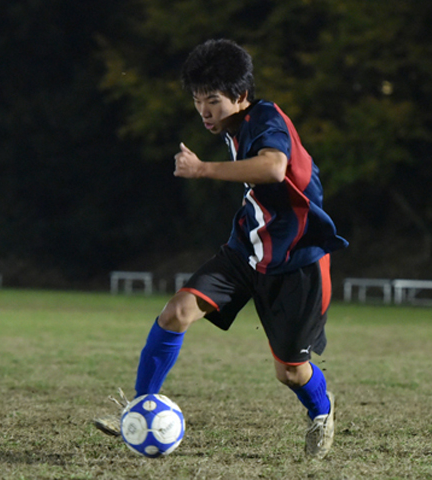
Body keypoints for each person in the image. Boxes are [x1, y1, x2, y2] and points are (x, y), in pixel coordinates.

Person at [94, 39, 348, 458]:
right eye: (197, 101)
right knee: (176, 312)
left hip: (297, 262)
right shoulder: (232, 126)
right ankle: (140, 406)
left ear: (242, 96)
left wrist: (202, 170)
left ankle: (321, 411)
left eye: (213, 101)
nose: (204, 112)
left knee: (290, 371)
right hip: (246, 249)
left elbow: (274, 167)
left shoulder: (265, 119)